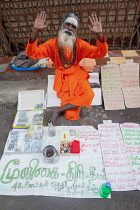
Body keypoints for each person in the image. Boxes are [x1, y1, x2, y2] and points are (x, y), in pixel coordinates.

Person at [26, 11, 108, 125]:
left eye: (73, 27)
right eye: (68, 24)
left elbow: (100, 53)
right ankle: (83, 86)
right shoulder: (51, 44)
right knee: (71, 115)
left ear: (76, 30)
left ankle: (57, 111)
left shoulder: (80, 44)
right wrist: (35, 31)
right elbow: (32, 53)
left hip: (77, 73)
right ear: (62, 25)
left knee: (88, 95)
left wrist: (99, 34)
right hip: (62, 77)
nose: (70, 28)